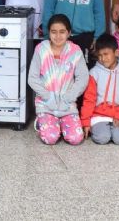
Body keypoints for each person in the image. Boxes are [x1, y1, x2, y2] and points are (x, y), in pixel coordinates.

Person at [27, 14, 88, 145]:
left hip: (68, 106)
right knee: (50, 138)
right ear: (48, 32)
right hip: (46, 105)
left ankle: (61, 123)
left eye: (62, 32)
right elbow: (32, 78)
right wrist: (48, 97)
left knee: (76, 138)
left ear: (69, 33)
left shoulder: (75, 51)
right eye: (54, 32)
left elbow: (83, 78)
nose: (58, 36)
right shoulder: (41, 49)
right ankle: (43, 122)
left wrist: (69, 97)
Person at [80, 34, 119, 145]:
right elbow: (89, 99)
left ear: (116, 53)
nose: (103, 59)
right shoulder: (94, 73)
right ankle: (102, 129)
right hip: (99, 115)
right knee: (102, 138)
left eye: (106, 54)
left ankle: (117, 129)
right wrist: (85, 122)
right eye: (100, 55)